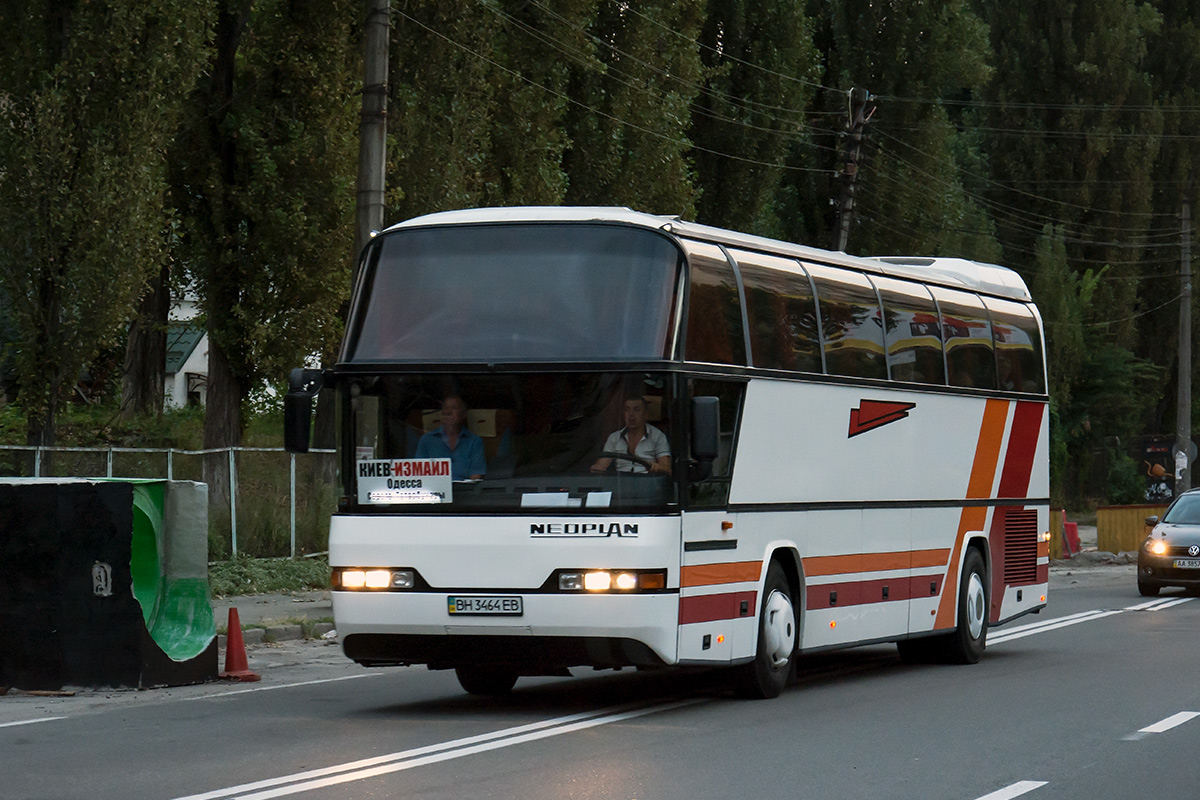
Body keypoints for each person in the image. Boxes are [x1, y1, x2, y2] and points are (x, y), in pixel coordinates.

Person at [590, 396, 671, 474]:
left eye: (636, 410)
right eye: (627, 410)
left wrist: (656, 467)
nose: (631, 414)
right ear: (623, 414)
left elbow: (667, 469)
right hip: (620, 484)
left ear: (645, 414)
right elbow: (601, 466)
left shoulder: (658, 436)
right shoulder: (614, 437)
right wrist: (596, 468)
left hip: (647, 484)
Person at [415, 394, 486, 480]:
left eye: (454, 408)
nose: (448, 412)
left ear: (464, 414)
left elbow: (475, 477)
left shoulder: (474, 441)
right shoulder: (426, 440)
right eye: (445, 408)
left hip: (465, 491)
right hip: (434, 491)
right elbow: (418, 475)